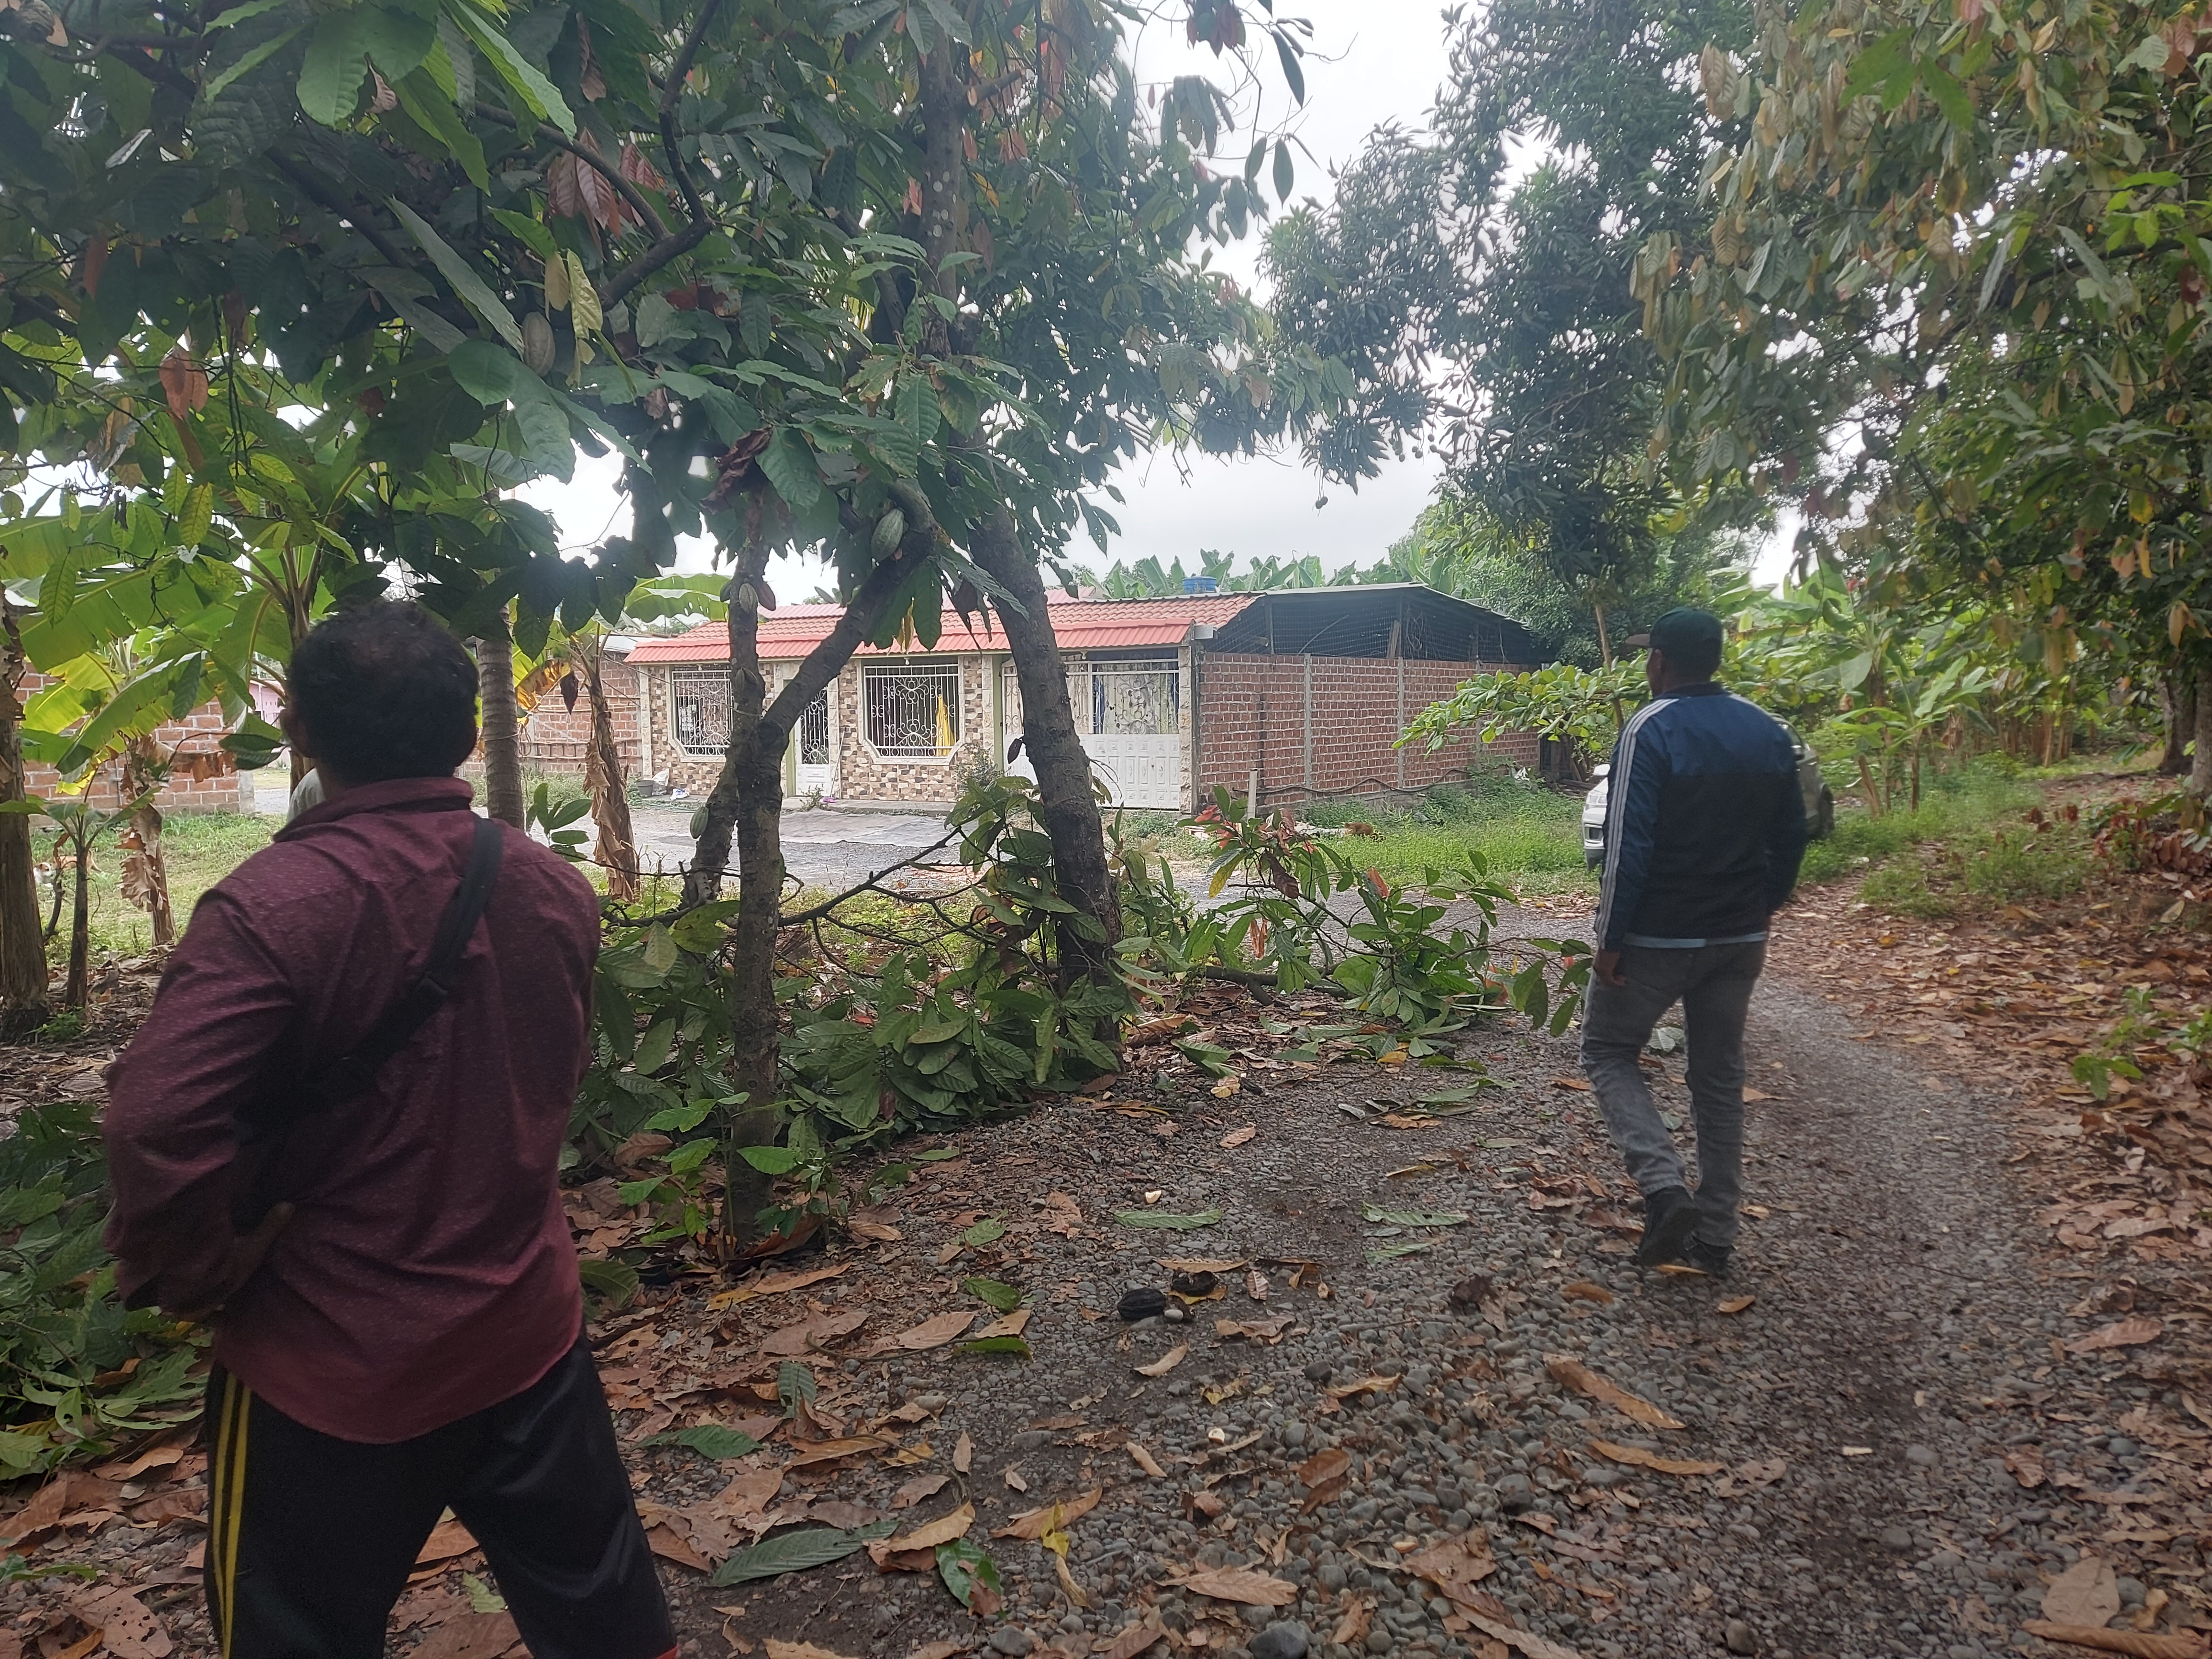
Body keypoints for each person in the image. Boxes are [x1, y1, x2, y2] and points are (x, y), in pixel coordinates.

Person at [103, 602, 674, 1659]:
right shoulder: (552, 889)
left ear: (299, 731)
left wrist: (193, 1266)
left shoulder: (271, 908)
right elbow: (548, 1077)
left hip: (330, 1361)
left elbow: (154, 1119)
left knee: (292, 1632)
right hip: (525, 1327)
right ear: (468, 733)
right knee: (605, 1616)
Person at [1580, 607, 1808, 1278]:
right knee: (1719, 1079)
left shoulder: (1650, 727)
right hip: (1739, 935)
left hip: (1657, 935)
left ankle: (1663, 1188)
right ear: (1715, 658)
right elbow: (1793, 834)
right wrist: (1764, 906)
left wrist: (1609, 938)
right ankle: (1716, 1238)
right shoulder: (1765, 728)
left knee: (1608, 1050)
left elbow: (1626, 844)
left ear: (1660, 662)